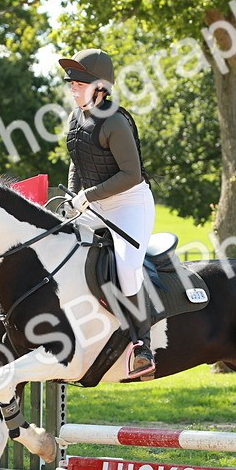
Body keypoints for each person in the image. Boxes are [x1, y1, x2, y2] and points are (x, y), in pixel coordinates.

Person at [59, 48, 157, 378]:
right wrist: (74, 195)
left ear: (100, 87)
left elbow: (131, 175)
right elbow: (79, 159)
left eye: (79, 82)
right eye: (70, 82)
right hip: (93, 203)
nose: (72, 86)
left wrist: (87, 195)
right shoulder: (76, 118)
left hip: (130, 206)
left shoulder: (114, 122)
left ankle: (143, 345)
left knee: (127, 267)